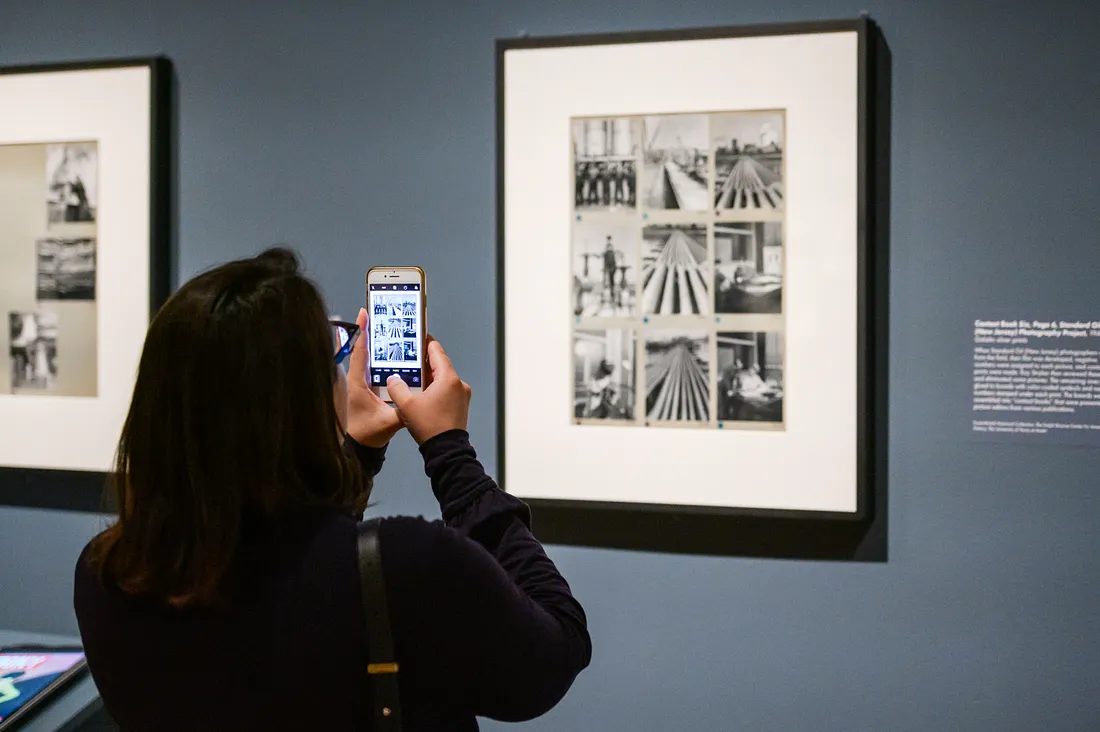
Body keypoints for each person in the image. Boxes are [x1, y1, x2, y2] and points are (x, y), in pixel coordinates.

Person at [72, 247, 591, 731]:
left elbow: (293, 559)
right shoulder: (408, 565)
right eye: (334, 353)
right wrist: (450, 450)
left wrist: (358, 455)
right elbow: (555, 650)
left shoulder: (110, 574)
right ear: (303, 403)